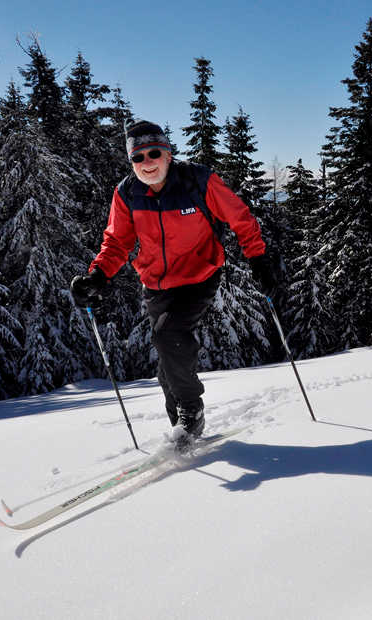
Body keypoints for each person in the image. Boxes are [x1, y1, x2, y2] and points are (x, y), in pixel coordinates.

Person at [70, 120, 275, 446]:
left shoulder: (198, 181)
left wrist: (259, 258)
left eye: (154, 153)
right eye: (138, 158)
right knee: (167, 359)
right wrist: (98, 276)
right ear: (131, 162)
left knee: (168, 334)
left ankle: (192, 411)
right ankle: (184, 432)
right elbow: (117, 243)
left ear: (167, 154)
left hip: (200, 275)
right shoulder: (127, 193)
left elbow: (240, 217)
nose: (147, 163)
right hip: (156, 283)